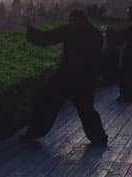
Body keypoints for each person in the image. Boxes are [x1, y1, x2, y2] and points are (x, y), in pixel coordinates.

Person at [23, 9, 107, 145]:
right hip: (86, 79)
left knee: (46, 101)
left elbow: (46, 38)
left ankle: (34, 132)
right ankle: (99, 138)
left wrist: (30, 30)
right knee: (87, 110)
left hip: (66, 77)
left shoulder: (70, 30)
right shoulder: (96, 34)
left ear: (73, 19)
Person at [107, 5, 132, 102]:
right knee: (125, 77)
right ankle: (127, 94)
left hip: (130, 57)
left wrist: (110, 31)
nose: (127, 15)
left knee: (125, 77)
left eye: (129, 13)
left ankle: (129, 95)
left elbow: (121, 36)